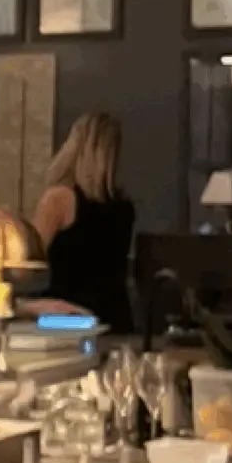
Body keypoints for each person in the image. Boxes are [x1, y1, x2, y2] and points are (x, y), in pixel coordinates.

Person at [33, 111, 136, 334]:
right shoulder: (124, 207)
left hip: (69, 316)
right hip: (116, 316)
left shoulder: (59, 199)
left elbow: (29, 262)